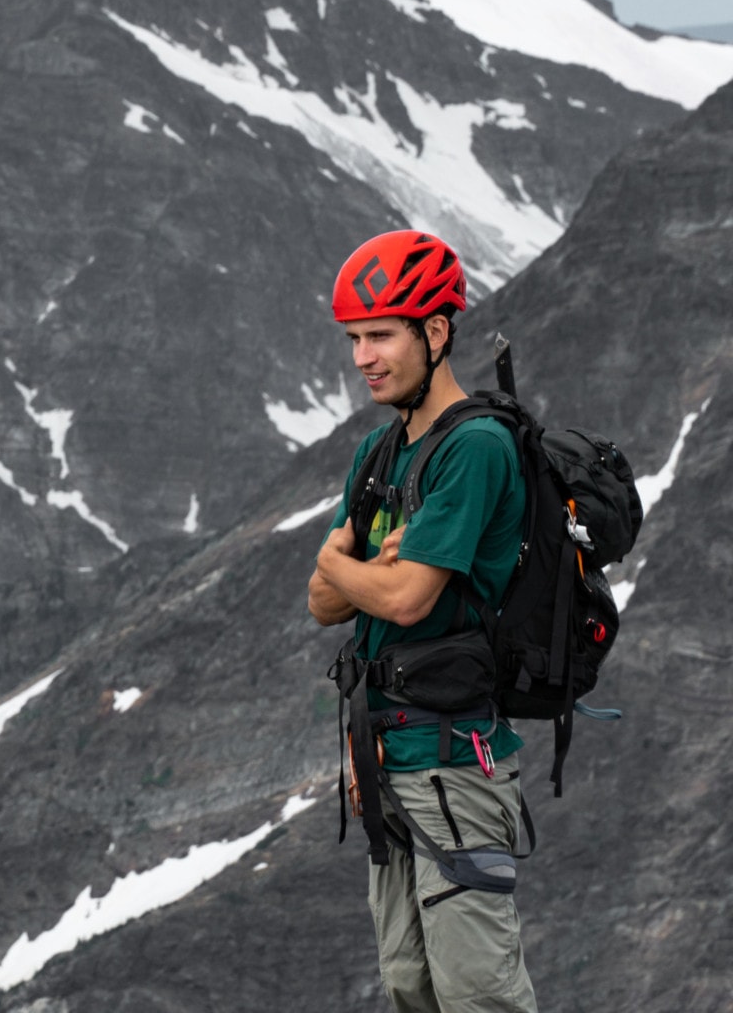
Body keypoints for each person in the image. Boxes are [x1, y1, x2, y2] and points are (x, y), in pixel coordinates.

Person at [308, 229, 537, 1013]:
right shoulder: (378, 453)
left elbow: (399, 600)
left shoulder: (474, 448)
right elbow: (322, 605)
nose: (363, 357)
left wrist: (346, 564)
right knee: (410, 985)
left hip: (455, 762)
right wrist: (366, 575)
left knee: (478, 994)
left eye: (380, 335)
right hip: (386, 757)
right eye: (354, 339)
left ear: (436, 332)